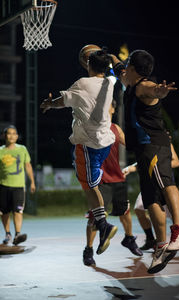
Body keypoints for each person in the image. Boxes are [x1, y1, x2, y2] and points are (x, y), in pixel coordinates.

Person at [111, 49, 179, 274]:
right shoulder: (128, 80)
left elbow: (155, 90)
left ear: (135, 69)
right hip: (142, 150)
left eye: (127, 63)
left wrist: (161, 90)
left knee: (166, 184)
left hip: (154, 145)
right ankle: (160, 244)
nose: (123, 66)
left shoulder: (144, 86)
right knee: (151, 201)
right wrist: (107, 56)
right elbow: (117, 66)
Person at [40, 49, 118, 255]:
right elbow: (116, 71)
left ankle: (104, 225)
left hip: (88, 144)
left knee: (88, 186)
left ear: (89, 64)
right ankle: (102, 225)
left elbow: (62, 101)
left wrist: (49, 104)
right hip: (105, 143)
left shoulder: (82, 83)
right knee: (91, 185)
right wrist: (108, 59)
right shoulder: (111, 81)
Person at [83, 100, 143, 266]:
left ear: (113, 108)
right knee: (95, 216)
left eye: (107, 104)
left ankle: (129, 239)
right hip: (99, 179)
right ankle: (88, 250)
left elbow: (132, 145)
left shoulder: (116, 128)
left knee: (124, 212)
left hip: (117, 176)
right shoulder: (91, 127)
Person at [123, 141, 179, 251]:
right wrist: (131, 168)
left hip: (164, 183)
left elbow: (176, 162)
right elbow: (144, 161)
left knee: (173, 214)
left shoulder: (165, 142)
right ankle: (150, 239)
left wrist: (159, 165)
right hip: (149, 183)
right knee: (138, 208)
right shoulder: (144, 142)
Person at [0, 125, 36, 245]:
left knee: (17, 211)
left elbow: (28, 166)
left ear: (17, 136)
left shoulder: (22, 149)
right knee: (4, 212)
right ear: (5, 136)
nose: (12, 136)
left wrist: (32, 181)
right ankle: (8, 234)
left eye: (14, 133)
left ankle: (18, 234)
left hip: (18, 186)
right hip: (3, 186)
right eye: (9, 133)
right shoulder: (1, 151)